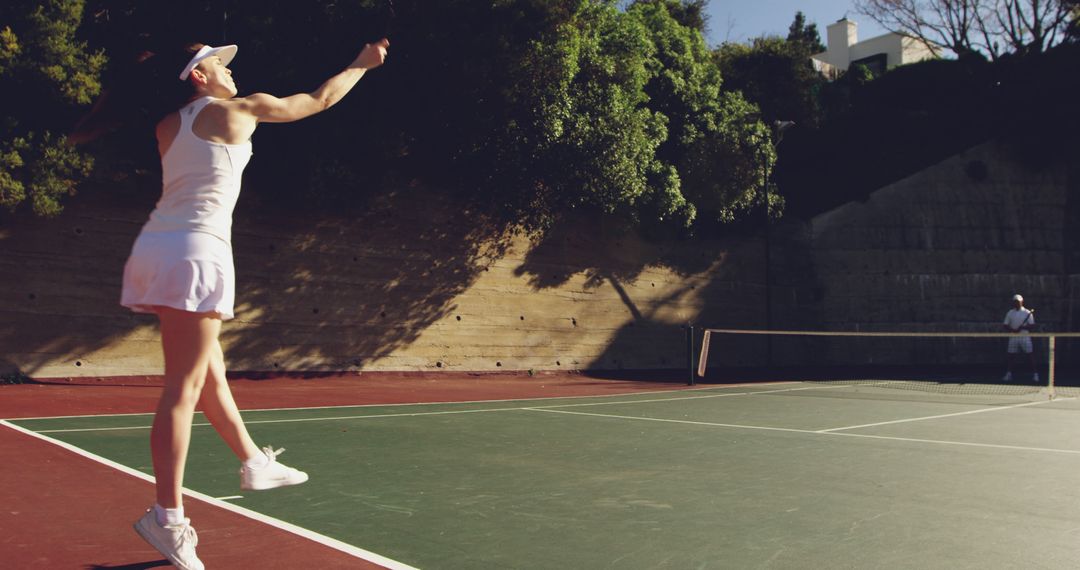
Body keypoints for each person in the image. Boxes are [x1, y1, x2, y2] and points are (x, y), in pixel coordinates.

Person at [72, 39, 389, 570]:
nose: (232, 69)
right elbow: (320, 99)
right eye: (222, 62)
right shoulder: (242, 110)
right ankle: (166, 518)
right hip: (197, 253)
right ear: (198, 75)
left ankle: (251, 462)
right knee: (182, 390)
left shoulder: (166, 125)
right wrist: (363, 63)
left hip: (160, 247)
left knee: (208, 374)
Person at [1002, 293, 1037, 382]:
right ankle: (1008, 374)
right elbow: (1005, 325)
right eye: (1015, 302)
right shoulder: (1010, 313)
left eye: (1018, 302)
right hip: (1013, 337)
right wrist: (1012, 330)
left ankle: (1035, 374)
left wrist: (1022, 328)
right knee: (1011, 356)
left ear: (1022, 302)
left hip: (1025, 337)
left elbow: (1032, 326)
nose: (1017, 303)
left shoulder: (1027, 313)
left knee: (1030, 355)